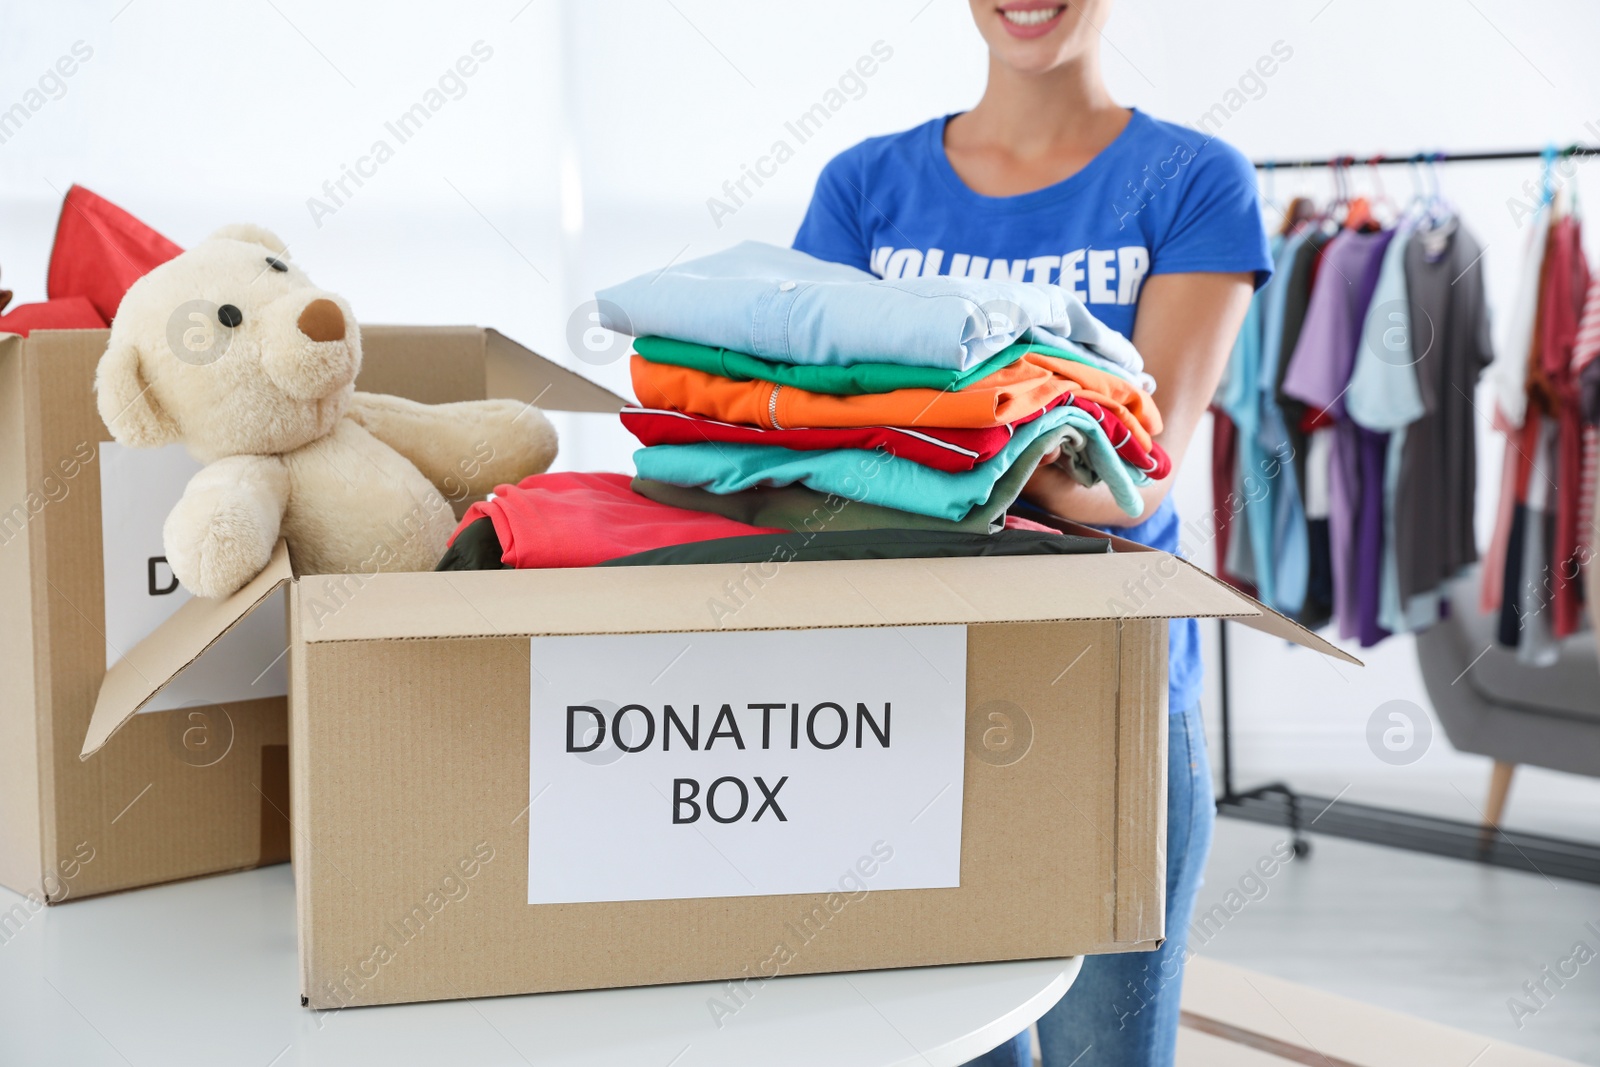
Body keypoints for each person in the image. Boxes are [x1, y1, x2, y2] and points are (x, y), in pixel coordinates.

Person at [792, 2, 1270, 1064]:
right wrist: (1032, 439)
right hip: (899, 703)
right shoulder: (862, 187)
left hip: (1107, 704)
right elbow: (800, 448)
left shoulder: (1194, 178)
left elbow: (1130, 481)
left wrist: (905, 444)